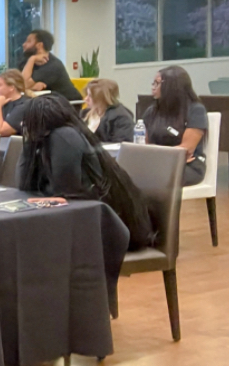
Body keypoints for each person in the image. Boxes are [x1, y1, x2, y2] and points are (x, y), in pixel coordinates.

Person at [19, 95, 154, 250]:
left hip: (109, 230)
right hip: (92, 220)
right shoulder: (56, 137)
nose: (22, 125)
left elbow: (65, 194)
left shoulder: (64, 136)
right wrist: (28, 143)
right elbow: (24, 185)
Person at [141, 65, 208, 186]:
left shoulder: (195, 110)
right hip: (157, 163)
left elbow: (186, 149)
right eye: (153, 83)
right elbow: (145, 144)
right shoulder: (152, 111)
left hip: (187, 166)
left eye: (157, 83)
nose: (153, 87)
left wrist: (155, 154)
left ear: (171, 86)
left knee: (152, 176)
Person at [19, 29, 82, 101]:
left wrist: (32, 59)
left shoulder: (53, 65)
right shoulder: (26, 61)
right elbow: (17, 84)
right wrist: (31, 87)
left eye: (29, 41)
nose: (24, 44)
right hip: (47, 102)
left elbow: (24, 85)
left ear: (39, 45)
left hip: (68, 103)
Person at [82, 78, 136, 144]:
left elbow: (120, 145)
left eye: (90, 96)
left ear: (102, 98)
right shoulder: (84, 114)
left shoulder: (121, 118)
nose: (86, 99)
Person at [0, 69, 33, 136]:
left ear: (11, 88)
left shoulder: (24, 105)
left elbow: (0, 132)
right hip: (1, 142)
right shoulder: (0, 103)